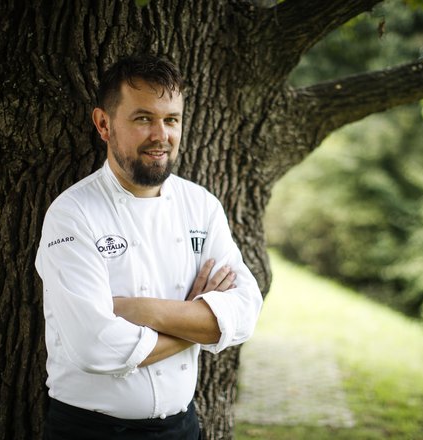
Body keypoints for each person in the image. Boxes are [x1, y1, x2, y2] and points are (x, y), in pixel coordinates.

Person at [35, 54, 263, 439]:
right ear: (103, 124)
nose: (161, 135)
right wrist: (199, 321)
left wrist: (139, 310)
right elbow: (97, 347)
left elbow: (245, 313)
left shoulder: (201, 205)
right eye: (143, 119)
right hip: (90, 431)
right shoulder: (73, 214)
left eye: (171, 119)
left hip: (182, 427)